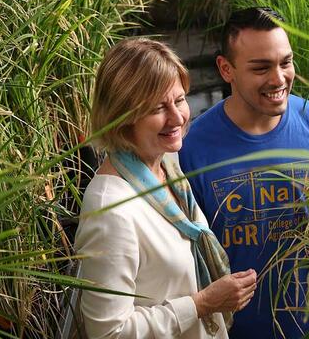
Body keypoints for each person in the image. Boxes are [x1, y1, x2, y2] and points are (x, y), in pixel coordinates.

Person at [179, 7, 309, 338]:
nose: (278, 78)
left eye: (285, 62)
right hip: (239, 331)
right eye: (261, 68)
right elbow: (188, 257)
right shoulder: (192, 148)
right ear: (226, 69)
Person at [75, 38, 257, 339]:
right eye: (158, 107)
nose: (177, 118)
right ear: (123, 116)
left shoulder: (166, 166)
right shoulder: (110, 209)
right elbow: (107, 333)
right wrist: (202, 303)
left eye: (180, 99)